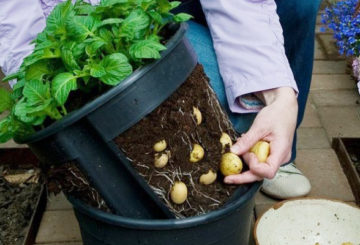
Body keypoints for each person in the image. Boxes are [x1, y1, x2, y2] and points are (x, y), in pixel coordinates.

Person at [0, 0, 321, 199]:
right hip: (89, 26)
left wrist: (278, 94)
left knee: (295, 4)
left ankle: (276, 150)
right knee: (165, 109)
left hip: (155, 9)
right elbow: (15, 24)